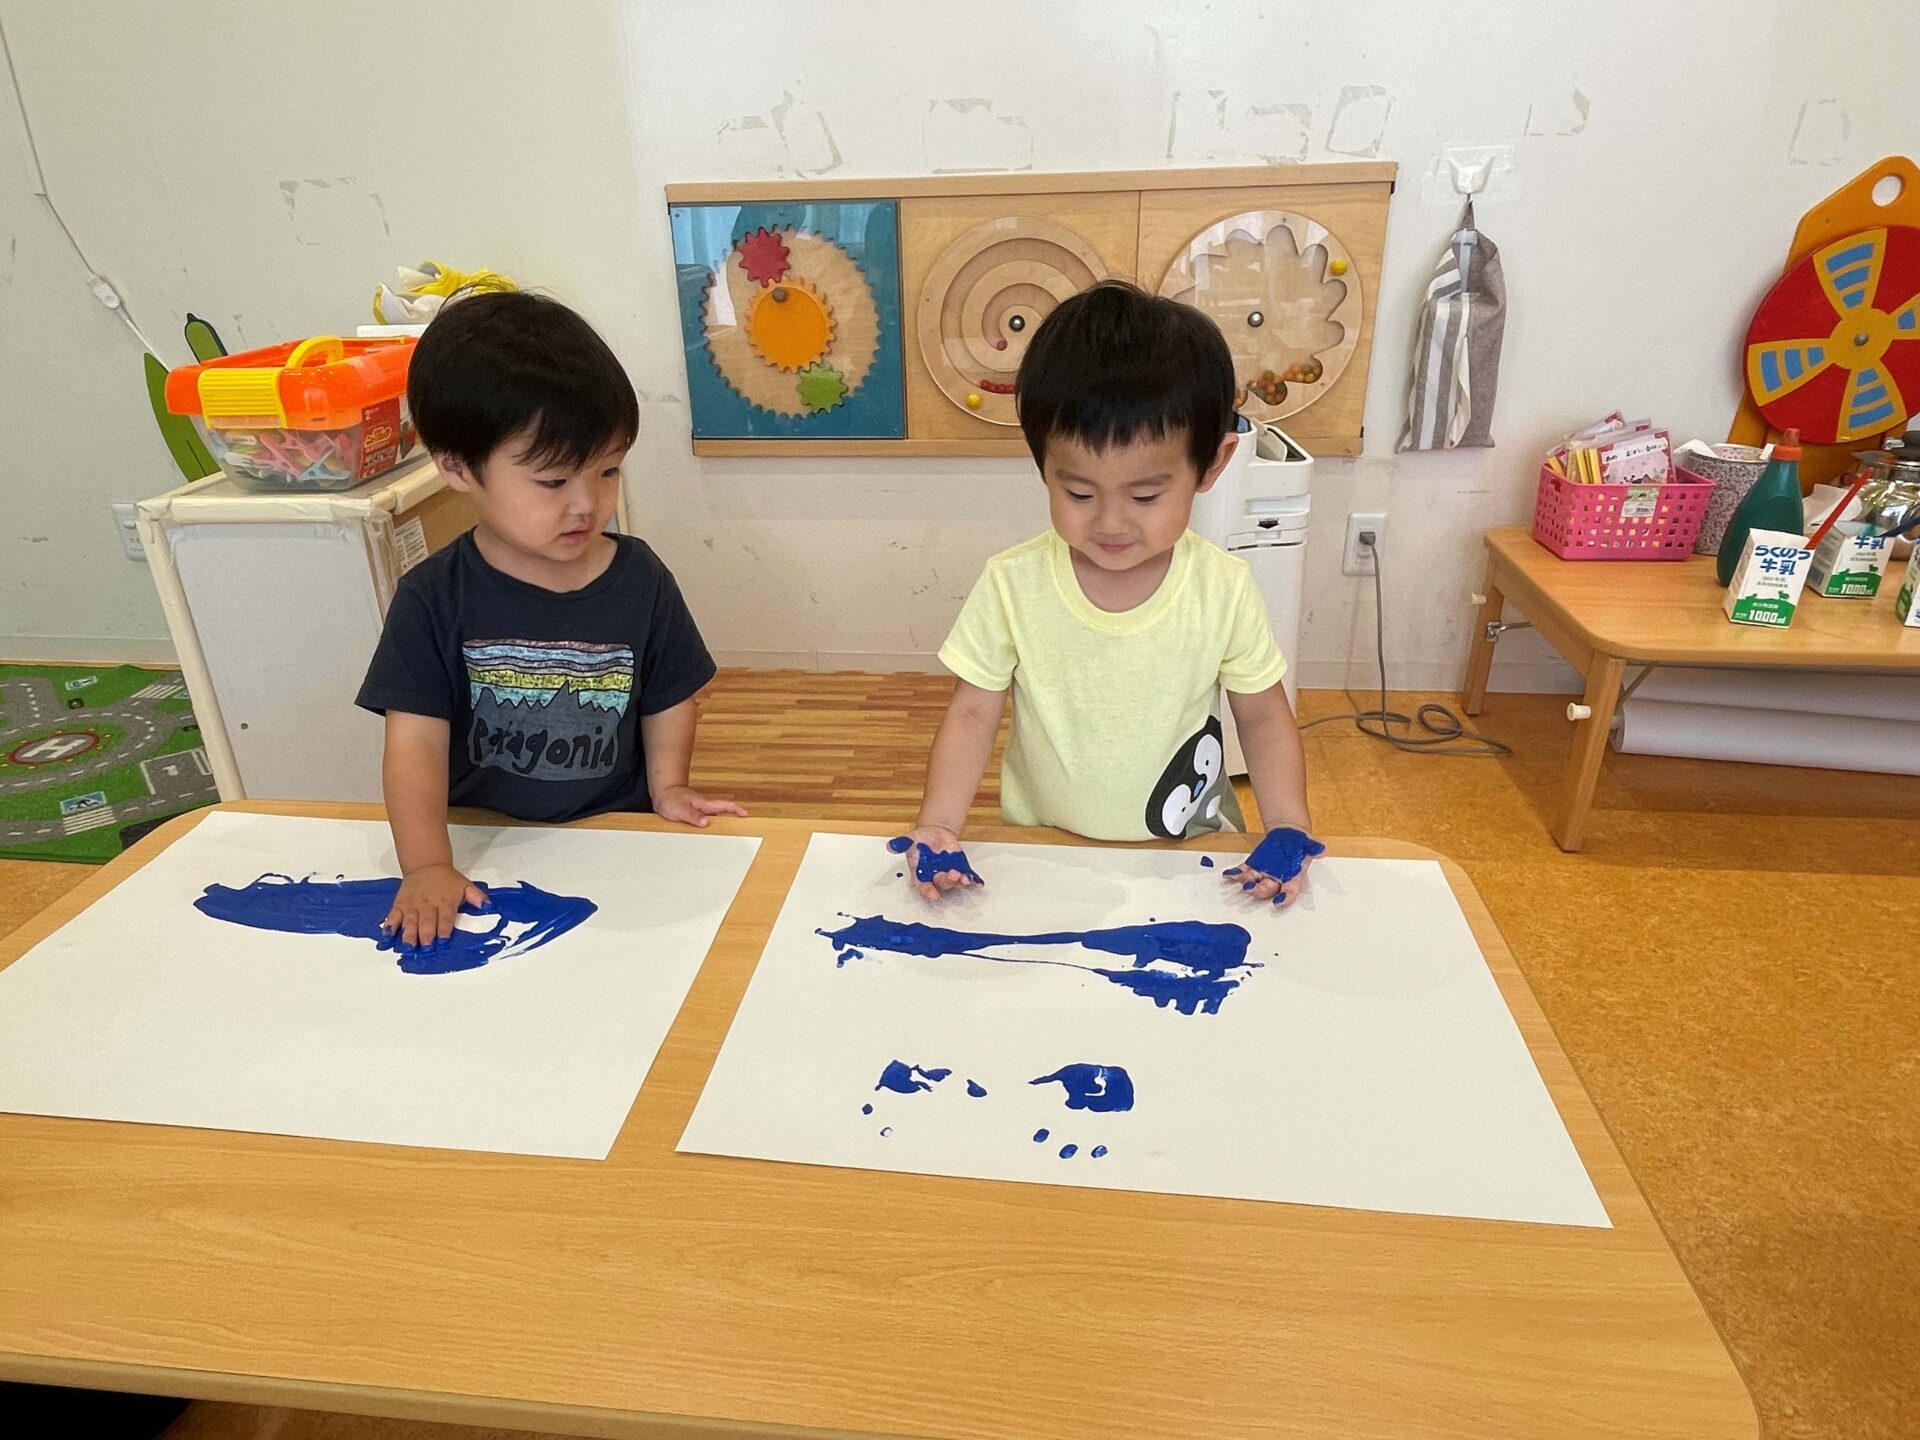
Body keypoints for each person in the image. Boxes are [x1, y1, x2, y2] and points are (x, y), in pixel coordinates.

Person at [896, 280, 1317, 907]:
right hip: (1050, 854)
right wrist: (938, 823)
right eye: (1079, 493)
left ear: (1212, 464)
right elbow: (971, 715)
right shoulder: (1012, 584)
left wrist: (1287, 826)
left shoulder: (1222, 588)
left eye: (1145, 495)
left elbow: (1263, 719)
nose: (1111, 523)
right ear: (1042, 464)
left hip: (1191, 858)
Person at [357, 290, 742, 948]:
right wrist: (426, 866)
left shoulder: (641, 577)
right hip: (487, 843)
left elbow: (670, 696)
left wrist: (669, 786)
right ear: (456, 467)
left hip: (615, 835)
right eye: (553, 482)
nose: (587, 504)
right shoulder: (432, 598)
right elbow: (414, 745)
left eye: (608, 470)